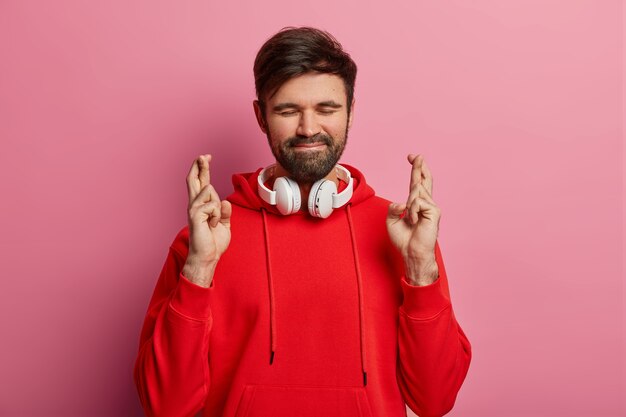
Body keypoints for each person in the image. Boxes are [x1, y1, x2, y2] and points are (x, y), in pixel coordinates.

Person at [134, 26, 471, 417]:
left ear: (351, 112)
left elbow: (435, 400)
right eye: (288, 110)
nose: (309, 128)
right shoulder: (204, 240)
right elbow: (164, 407)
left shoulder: (403, 235)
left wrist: (420, 267)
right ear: (261, 116)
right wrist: (199, 268)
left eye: (326, 109)